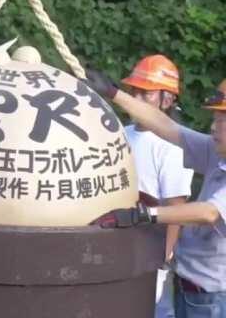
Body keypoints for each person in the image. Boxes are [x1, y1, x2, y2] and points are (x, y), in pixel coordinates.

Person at [83, 67, 226, 318]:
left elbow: (209, 212)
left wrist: (142, 214)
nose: (214, 127)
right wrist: (113, 93)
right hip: (189, 286)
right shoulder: (216, 153)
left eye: (223, 120)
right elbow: (165, 125)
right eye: (215, 118)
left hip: (212, 298)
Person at [121, 55, 193, 318]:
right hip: (119, 239)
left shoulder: (173, 146)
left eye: (146, 93)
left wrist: (164, 259)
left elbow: (177, 207)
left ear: (168, 99)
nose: (137, 99)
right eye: (134, 91)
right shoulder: (122, 133)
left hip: (152, 247)